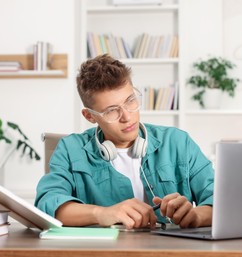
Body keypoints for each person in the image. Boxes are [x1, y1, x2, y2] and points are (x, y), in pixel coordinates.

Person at [35, 54, 214, 230]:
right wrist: (102, 213)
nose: (127, 117)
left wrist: (196, 216)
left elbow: (222, 201)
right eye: (112, 111)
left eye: (130, 101)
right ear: (89, 116)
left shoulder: (177, 142)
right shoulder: (70, 149)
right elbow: (48, 203)